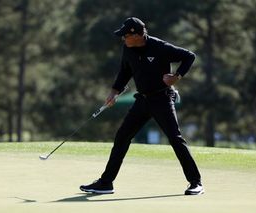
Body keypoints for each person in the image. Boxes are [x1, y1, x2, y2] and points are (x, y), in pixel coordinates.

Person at [80, 17, 204, 195]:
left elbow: (189, 56)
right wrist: (114, 92)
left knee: (175, 139)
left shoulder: (159, 47)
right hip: (143, 100)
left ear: (138, 35)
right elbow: (125, 71)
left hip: (162, 99)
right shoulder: (128, 48)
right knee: (122, 137)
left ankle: (196, 182)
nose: (123, 39)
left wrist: (177, 76)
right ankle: (106, 183)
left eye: (126, 36)